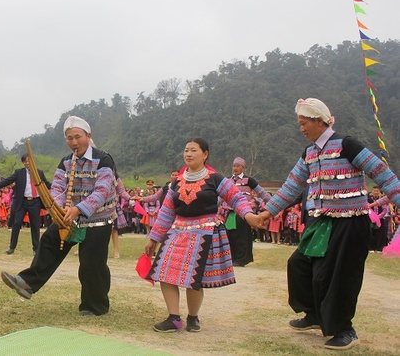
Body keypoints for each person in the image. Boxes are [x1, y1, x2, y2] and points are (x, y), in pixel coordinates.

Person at [259, 98, 400, 350]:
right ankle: (313, 314)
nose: (301, 128)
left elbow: (381, 173)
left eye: (304, 123)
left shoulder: (348, 145)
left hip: (351, 222)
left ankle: (345, 330)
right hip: (321, 222)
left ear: (319, 120)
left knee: (339, 276)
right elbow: (292, 186)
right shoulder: (309, 153)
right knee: (299, 265)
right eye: (299, 124)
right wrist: (266, 212)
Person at [1, 116, 117, 316]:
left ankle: (94, 305)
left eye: (78, 137)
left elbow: (102, 190)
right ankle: (27, 283)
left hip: (98, 218)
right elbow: (57, 188)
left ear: (88, 136)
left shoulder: (104, 159)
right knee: (49, 240)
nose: (74, 142)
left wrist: (78, 208)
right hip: (70, 217)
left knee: (92, 262)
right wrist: (57, 207)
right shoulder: (65, 162)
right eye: (69, 138)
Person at [144, 138, 262, 333]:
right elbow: (166, 212)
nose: (188, 154)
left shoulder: (215, 179)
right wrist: (153, 238)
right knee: (164, 272)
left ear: (205, 154)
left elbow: (236, 197)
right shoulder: (176, 182)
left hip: (205, 232)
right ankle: (174, 318)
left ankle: (193, 317)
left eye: (193, 150)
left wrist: (248, 215)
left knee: (194, 279)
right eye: (186, 150)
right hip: (177, 232)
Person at [0, 154, 51, 255]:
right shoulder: (19, 173)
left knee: (35, 225)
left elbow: (46, 183)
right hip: (22, 202)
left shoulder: (39, 172)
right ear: (23, 163)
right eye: (25, 161)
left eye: (29, 161)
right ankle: (12, 247)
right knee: (17, 223)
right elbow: (8, 181)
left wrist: (59, 187)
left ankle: (36, 249)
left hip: (35, 201)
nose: (28, 163)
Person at [221, 157, 271, 266]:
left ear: (243, 167)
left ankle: (242, 259)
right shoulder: (227, 180)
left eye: (238, 166)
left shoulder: (249, 181)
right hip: (229, 213)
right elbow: (220, 197)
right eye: (234, 166)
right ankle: (232, 258)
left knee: (242, 236)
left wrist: (273, 204)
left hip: (244, 213)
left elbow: (262, 193)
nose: (235, 168)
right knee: (230, 235)